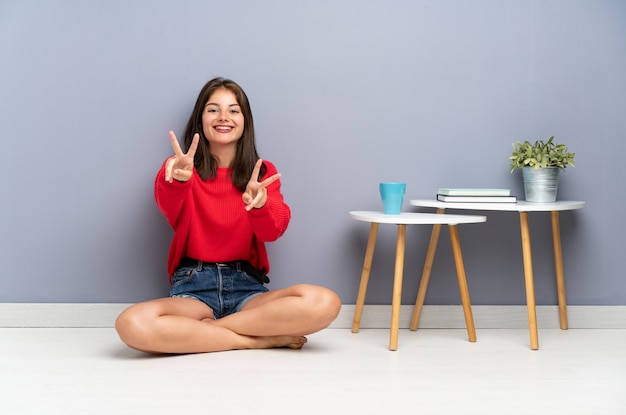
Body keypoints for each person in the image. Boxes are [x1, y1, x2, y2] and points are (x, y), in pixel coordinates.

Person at [115, 77, 341, 354]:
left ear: (245, 121)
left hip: (248, 288)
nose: (224, 117)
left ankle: (205, 334)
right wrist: (177, 181)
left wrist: (260, 207)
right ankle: (254, 339)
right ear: (200, 120)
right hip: (194, 288)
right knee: (131, 323)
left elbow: (273, 232)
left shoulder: (263, 172)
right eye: (213, 109)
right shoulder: (180, 168)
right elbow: (168, 207)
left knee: (324, 302)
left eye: (233, 110)